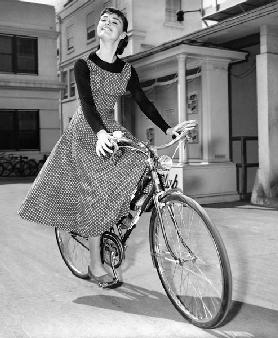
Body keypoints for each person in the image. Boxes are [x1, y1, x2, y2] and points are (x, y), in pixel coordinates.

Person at [18, 7, 176, 288]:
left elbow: (143, 102)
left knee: (143, 158)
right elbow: (88, 105)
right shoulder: (84, 64)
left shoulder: (127, 70)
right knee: (97, 193)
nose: (106, 23)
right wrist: (101, 133)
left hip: (109, 128)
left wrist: (168, 128)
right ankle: (94, 264)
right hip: (87, 128)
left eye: (114, 21)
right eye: (103, 19)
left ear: (122, 34)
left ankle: (117, 217)